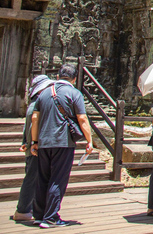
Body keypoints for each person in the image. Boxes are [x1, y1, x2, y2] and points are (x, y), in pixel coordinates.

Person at [30, 64, 94, 229]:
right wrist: (89, 140)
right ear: (74, 79)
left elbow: (35, 119)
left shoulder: (43, 93)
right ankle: (50, 217)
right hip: (63, 142)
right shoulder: (74, 93)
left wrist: (34, 142)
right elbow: (82, 119)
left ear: (58, 77)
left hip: (43, 141)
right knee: (57, 179)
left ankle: (38, 214)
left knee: (43, 178)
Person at [12, 75, 53, 222]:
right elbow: (33, 125)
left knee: (33, 178)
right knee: (32, 179)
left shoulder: (34, 105)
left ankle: (28, 209)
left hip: (32, 146)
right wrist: (33, 143)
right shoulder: (37, 105)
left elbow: (27, 127)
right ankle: (23, 210)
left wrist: (25, 142)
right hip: (35, 148)